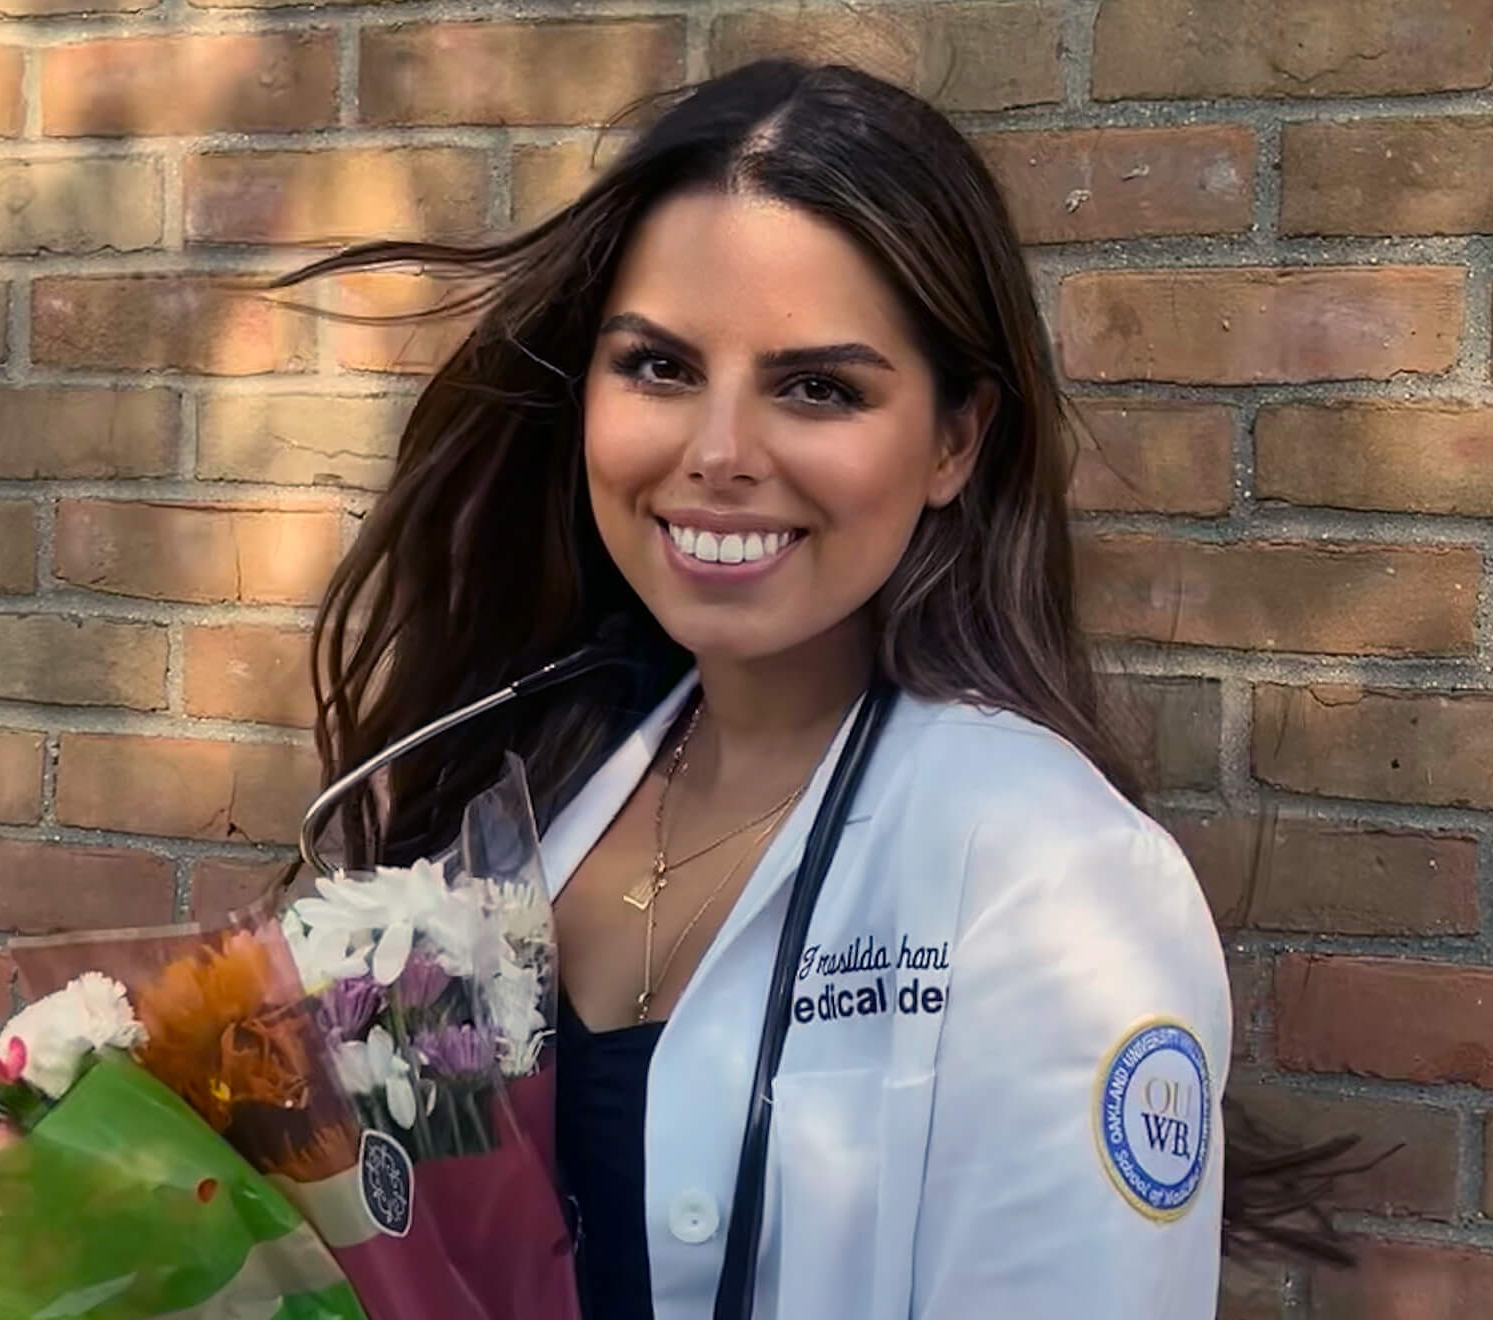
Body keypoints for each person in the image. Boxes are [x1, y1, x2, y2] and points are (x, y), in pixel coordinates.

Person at [284, 58, 1312, 1320]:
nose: (717, 454)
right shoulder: (518, 802)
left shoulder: (1051, 878)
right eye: (658, 368)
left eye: (817, 388)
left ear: (953, 440)